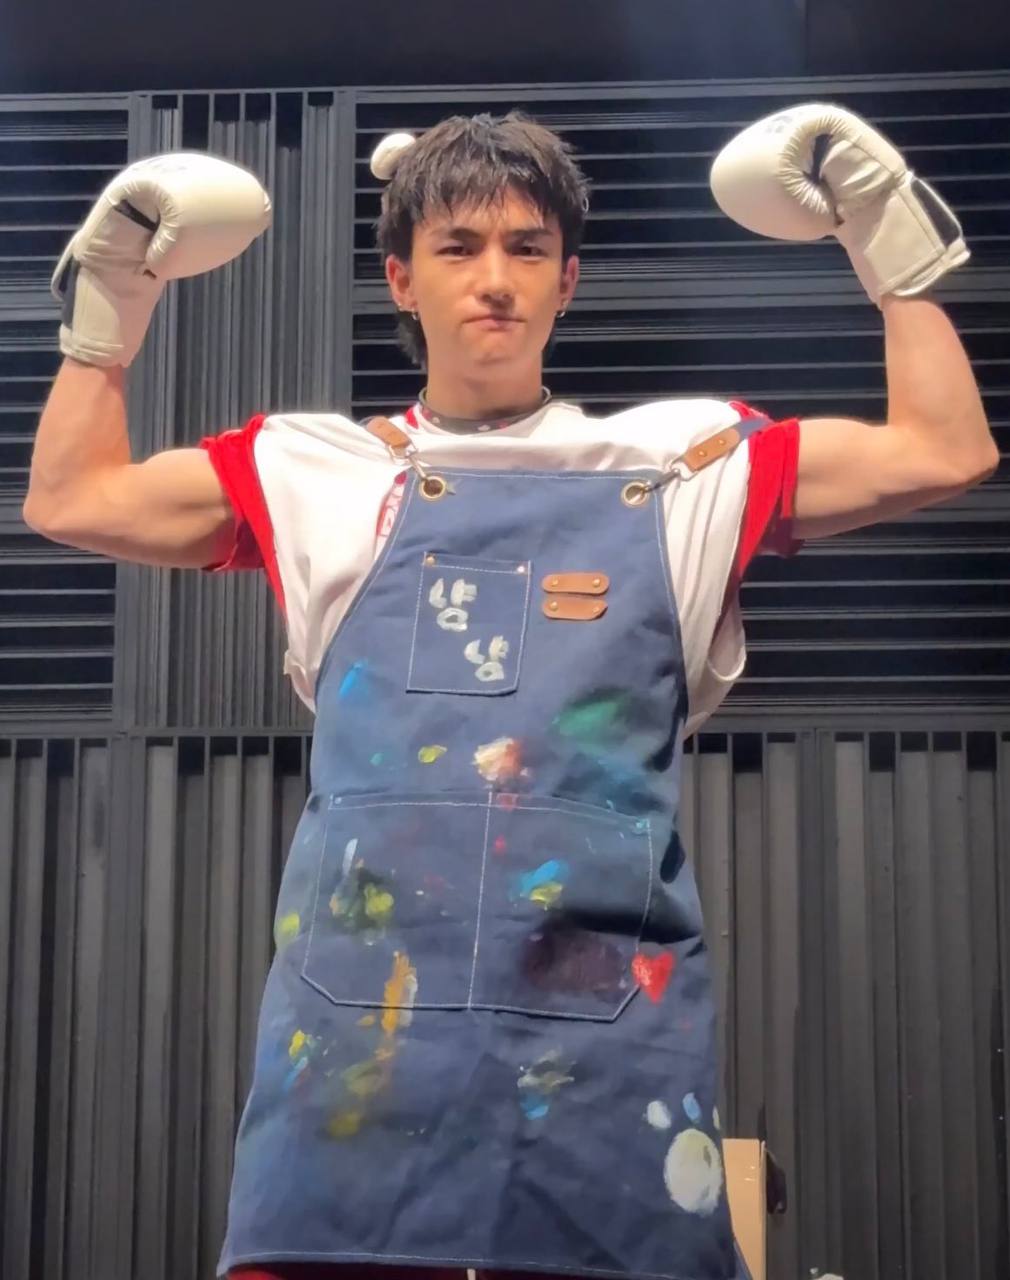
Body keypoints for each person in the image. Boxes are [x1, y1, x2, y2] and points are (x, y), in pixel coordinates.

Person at [25, 106, 997, 1280]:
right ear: (401, 277)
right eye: (458, 246)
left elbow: (942, 449)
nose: (494, 278)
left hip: (604, 1055)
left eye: (527, 248)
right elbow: (72, 497)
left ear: (566, 280)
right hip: (357, 1050)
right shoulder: (313, 471)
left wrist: (889, 239)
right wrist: (109, 302)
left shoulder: (684, 464)